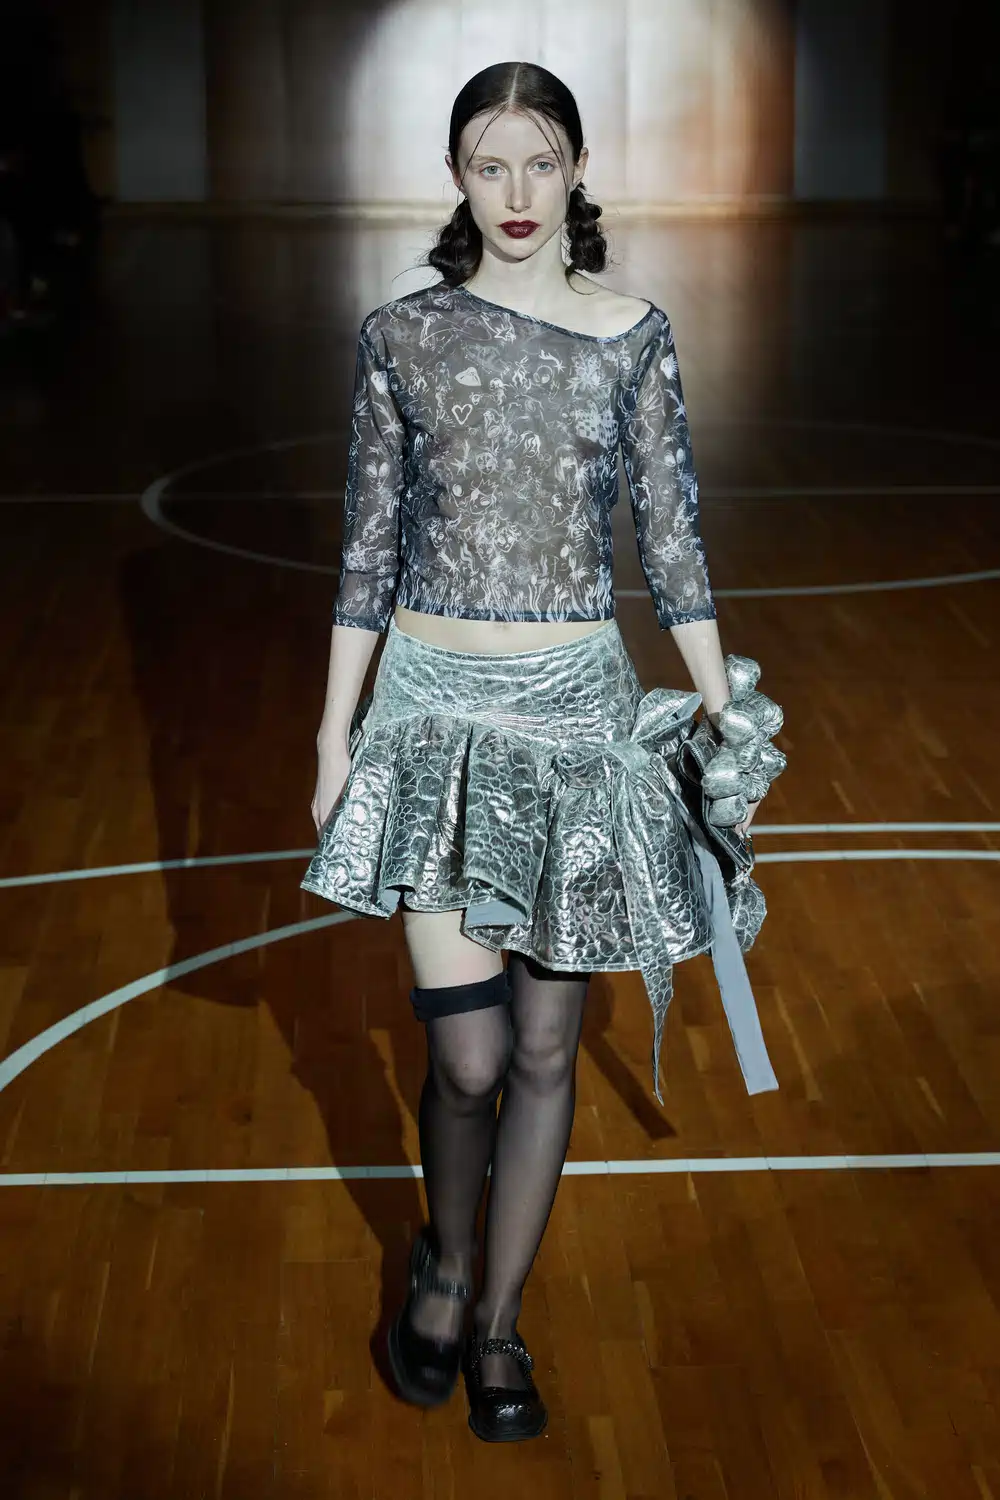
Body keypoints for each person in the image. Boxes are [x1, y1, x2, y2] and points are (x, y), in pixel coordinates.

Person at [301, 61, 786, 1443]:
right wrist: (334, 738)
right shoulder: (402, 337)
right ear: (456, 177)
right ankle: (445, 1264)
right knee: (466, 1061)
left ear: (576, 167)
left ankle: (500, 1320)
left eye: (540, 160)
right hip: (430, 721)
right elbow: (367, 552)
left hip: (577, 724)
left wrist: (721, 709)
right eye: (487, 162)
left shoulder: (634, 334)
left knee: (545, 1044)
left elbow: (673, 542)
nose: (516, 191)